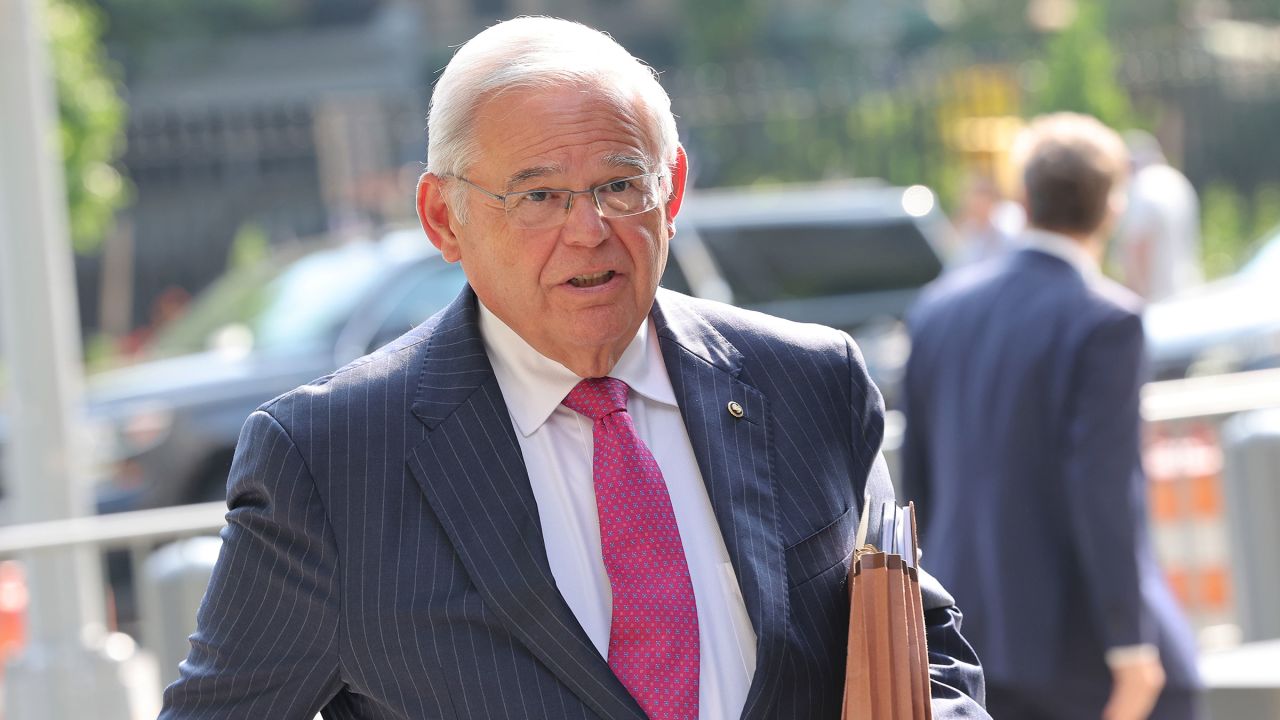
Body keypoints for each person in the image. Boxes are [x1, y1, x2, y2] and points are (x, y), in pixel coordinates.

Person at [160, 17, 986, 720]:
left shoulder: (806, 382)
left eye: (621, 184)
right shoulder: (332, 458)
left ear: (673, 191)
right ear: (442, 219)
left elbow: (920, 644)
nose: (590, 229)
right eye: (540, 196)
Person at [900, 113, 1202, 720]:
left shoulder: (937, 310)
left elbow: (916, 486)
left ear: (1022, 198)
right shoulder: (1106, 320)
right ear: (1111, 208)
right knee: (1180, 692)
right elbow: (1104, 489)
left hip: (964, 626)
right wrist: (1129, 646)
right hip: (1071, 634)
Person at [1112, 129, 1203, 301]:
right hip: (1186, 291)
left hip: (1156, 300)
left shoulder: (1142, 188)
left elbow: (1137, 246)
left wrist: (1136, 297)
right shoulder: (1177, 181)